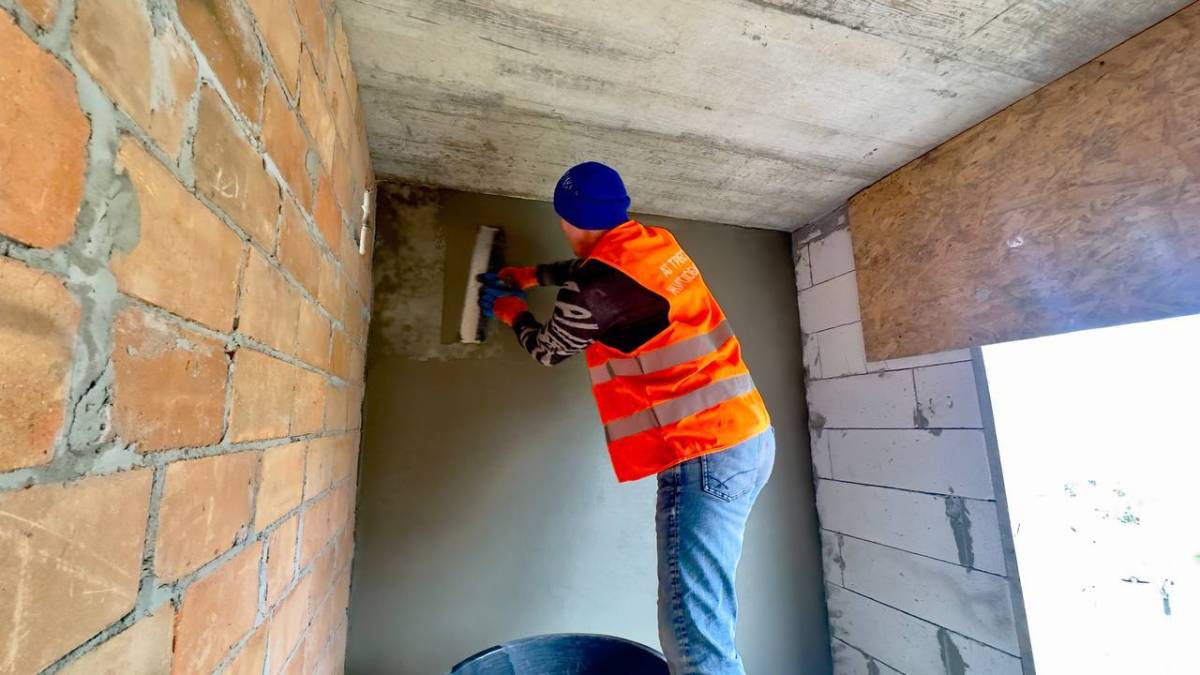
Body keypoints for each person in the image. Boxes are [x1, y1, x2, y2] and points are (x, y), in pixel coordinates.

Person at [477, 161, 774, 675]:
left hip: (702, 452)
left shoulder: (593, 289)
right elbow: (597, 273)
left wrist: (511, 311)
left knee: (695, 637)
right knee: (707, 611)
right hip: (748, 437)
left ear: (566, 219)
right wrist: (531, 275)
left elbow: (549, 349)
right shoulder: (655, 243)